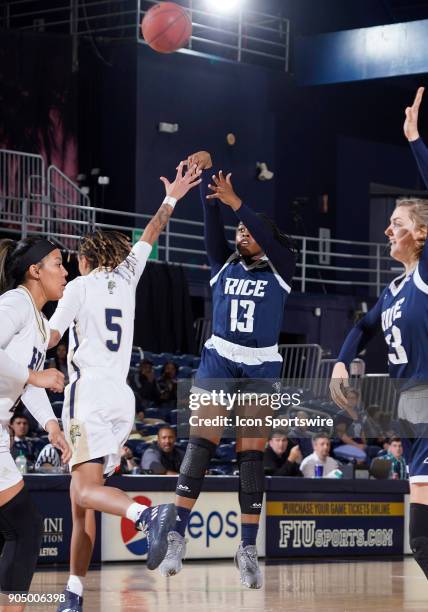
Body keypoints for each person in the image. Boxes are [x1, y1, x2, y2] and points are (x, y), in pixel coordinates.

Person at [48, 162, 202, 612]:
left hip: (88, 395)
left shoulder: (77, 288)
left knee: (81, 492)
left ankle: (145, 513)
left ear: (85, 258)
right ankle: (74, 595)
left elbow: (52, 338)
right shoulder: (129, 274)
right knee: (83, 506)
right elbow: (153, 230)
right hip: (121, 399)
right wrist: (172, 195)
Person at [159, 150, 297, 589]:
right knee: (201, 444)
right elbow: (211, 227)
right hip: (220, 357)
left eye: (248, 231)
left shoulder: (282, 268)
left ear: (264, 237)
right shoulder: (223, 262)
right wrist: (208, 195)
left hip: (260, 366)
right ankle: (177, 535)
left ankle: (247, 548)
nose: (241, 233)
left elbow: (258, 229)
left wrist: (240, 203)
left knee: (250, 458)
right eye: (239, 229)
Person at [330, 85, 428, 582]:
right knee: (422, 537)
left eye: (397, 224)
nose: (387, 231)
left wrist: (414, 139)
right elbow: (362, 327)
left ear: (421, 234)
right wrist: (342, 361)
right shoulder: (392, 290)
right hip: (411, 410)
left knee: (421, 536)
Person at [0, 236, 71, 609]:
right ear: (34, 270)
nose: (65, 271)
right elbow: (29, 377)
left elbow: (27, 384)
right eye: (58, 263)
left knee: (20, 527)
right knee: (23, 527)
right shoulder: (15, 302)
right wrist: (33, 375)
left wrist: (51, 424)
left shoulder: (40, 325)